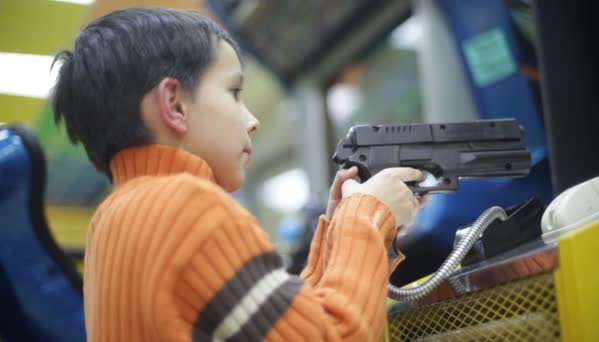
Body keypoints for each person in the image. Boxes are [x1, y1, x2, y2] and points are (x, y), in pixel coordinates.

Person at [52, 7, 425, 341]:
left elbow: (276, 326)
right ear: (174, 104)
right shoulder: (187, 206)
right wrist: (367, 217)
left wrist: (337, 239)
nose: (253, 121)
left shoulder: (112, 220)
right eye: (233, 92)